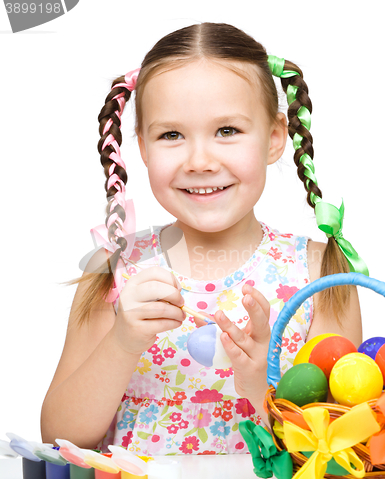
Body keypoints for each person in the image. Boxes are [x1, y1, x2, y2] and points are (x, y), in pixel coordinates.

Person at [40, 22, 366, 456]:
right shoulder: (115, 268)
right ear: (142, 147)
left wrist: (262, 386)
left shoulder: (320, 272)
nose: (199, 160)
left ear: (273, 138)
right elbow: (60, 436)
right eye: (171, 135)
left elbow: (348, 450)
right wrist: (122, 342)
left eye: (227, 130)